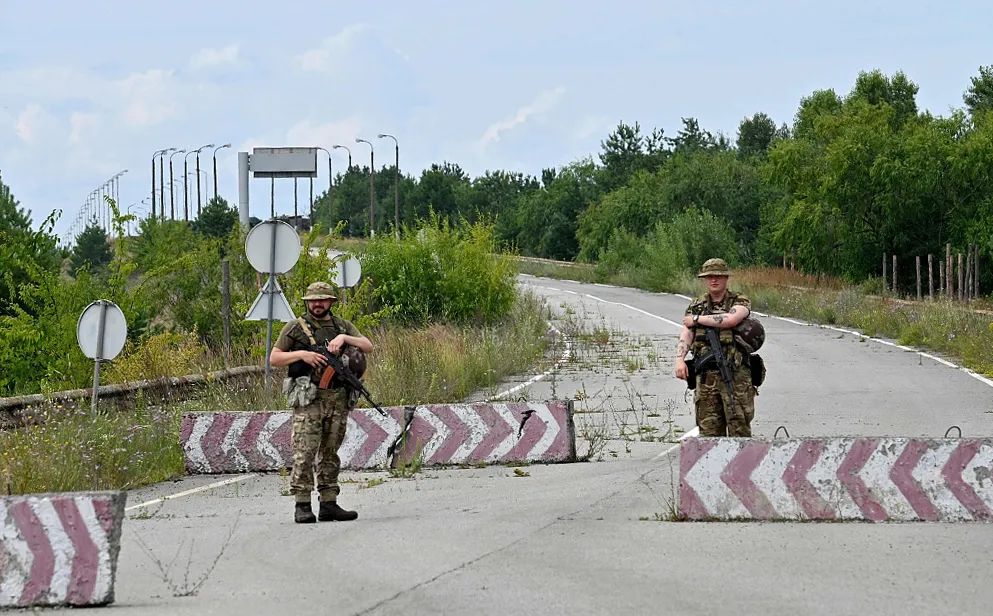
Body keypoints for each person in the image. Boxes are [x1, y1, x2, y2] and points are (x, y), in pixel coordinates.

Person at [270, 281, 374, 524]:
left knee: (330, 451)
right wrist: (302, 355)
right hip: (309, 398)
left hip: (337, 398)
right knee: (304, 451)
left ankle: (329, 502)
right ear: (307, 302)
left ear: (331, 302)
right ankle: (302, 504)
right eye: (313, 300)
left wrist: (344, 337)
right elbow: (274, 358)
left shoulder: (341, 326)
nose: (318, 304)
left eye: (323, 299)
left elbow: (368, 346)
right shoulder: (295, 328)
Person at [674, 258, 756, 437]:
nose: (714, 280)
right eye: (709, 276)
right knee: (708, 431)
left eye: (718, 276)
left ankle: (741, 465)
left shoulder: (739, 301)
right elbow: (687, 333)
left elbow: (730, 320)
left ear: (726, 278)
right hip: (706, 377)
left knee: (739, 428)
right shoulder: (697, 305)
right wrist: (680, 359)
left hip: (735, 375)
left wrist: (697, 319)